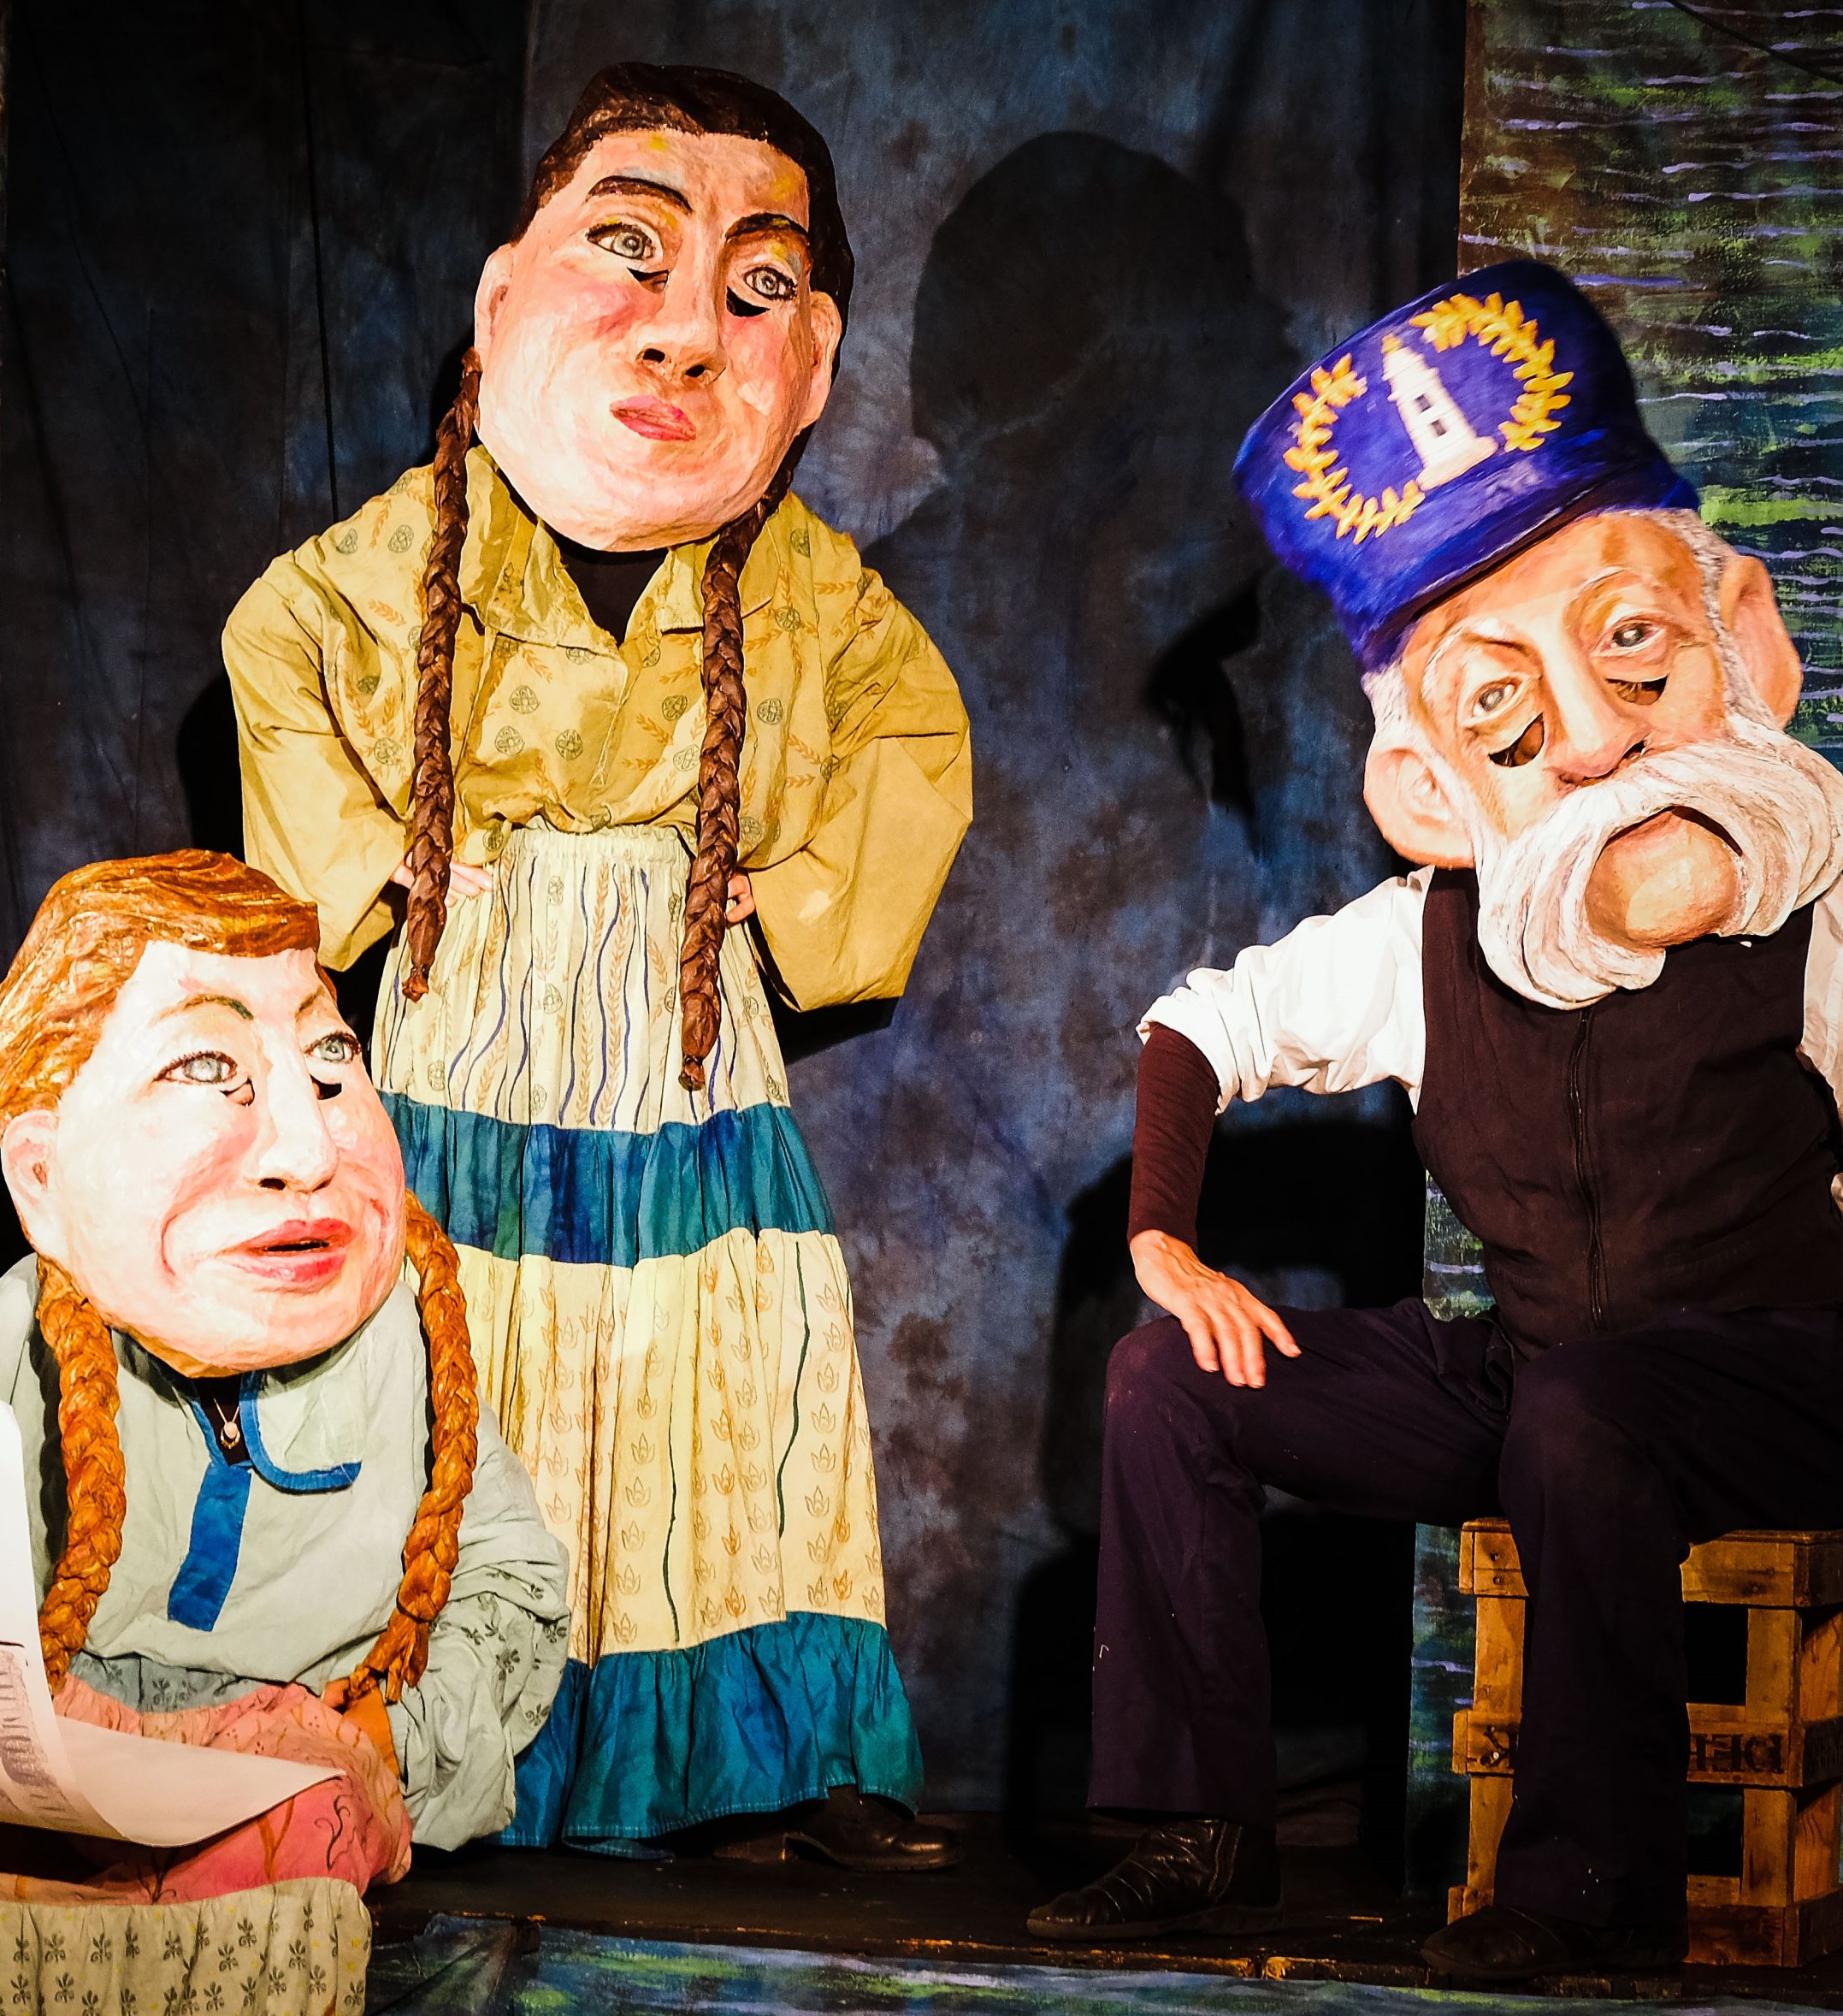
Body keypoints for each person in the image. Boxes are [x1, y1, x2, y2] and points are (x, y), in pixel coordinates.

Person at [1027, 262, 1843, 1980]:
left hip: (1783, 1377)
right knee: (1172, 1380)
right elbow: (1200, 1023)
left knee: (1586, 1411)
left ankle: (1584, 1893)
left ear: (1743, 639)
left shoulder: (1806, 901)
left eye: (1633, 649)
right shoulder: (1422, 935)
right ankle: (1200, 1829)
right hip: (1545, 1383)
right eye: (1504, 715)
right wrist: (1163, 1240)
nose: (1594, 746)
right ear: (1424, 788)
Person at [222, 64, 970, 1865]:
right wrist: (387, 884)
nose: (685, 332)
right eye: (628, 251)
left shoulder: (812, 595)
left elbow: (910, 742)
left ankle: (757, 1765)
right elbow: (283, 655)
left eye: (755, 288)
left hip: (685, 1064)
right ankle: (440, 1754)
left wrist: (792, 898)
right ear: (502, 302)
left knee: (726, 1393)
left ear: (812, 361)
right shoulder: (376, 570)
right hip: (460, 1042)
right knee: (460, 1382)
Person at [0, 851, 569, 2016]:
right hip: (54, 1765)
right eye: (208, 1070)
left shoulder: (412, 1344)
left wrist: (389, 1740)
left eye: (330, 1061)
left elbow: (511, 1588)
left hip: (281, 1776)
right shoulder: (22, 1336)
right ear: (42, 1179)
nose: (306, 1150)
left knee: (295, 1836)